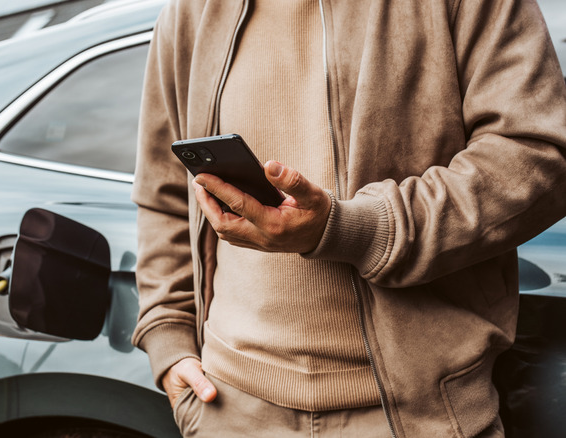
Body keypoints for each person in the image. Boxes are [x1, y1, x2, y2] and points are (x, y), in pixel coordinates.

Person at [131, 0, 566, 436]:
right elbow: (164, 192)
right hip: (229, 408)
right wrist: (167, 337)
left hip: (419, 415)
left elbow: (537, 154)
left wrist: (352, 230)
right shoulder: (189, 10)